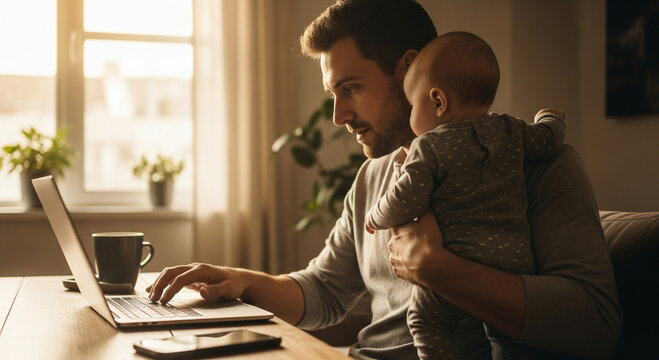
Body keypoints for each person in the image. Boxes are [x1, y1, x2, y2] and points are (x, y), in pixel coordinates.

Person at [147, 1, 622, 358]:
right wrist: (239, 281)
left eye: (350, 89)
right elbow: (325, 291)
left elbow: (594, 320)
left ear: (409, 71)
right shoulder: (373, 176)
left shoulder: (533, 163)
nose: (338, 117)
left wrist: (437, 269)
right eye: (333, 94)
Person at [363, 31, 565, 359]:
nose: (412, 113)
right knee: (504, 332)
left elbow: (406, 199)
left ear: (438, 102)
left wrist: (375, 216)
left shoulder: (428, 147)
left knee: (425, 320)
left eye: (413, 104)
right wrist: (551, 118)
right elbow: (549, 139)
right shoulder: (510, 130)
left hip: (459, 262)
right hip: (515, 265)